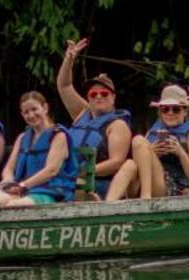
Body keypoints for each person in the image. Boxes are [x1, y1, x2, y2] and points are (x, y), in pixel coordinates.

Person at [55, 38, 135, 198]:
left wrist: (82, 172)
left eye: (104, 93)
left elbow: (116, 162)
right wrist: (69, 59)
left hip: (99, 183)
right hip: (68, 179)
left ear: (113, 97)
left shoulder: (117, 124)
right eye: (93, 94)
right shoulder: (82, 113)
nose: (98, 97)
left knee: (74, 188)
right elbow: (64, 86)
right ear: (89, 99)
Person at [109, 83, 189, 200]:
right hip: (142, 185)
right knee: (130, 163)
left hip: (172, 189)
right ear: (160, 112)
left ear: (185, 112)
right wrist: (151, 152)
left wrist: (181, 153)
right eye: (165, 109)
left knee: (139, 140)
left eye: (176, 109)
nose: (170, 113)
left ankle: (146, 197)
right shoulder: (152, 133)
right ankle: (107, 207)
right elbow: (139, 164)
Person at [0, 91, 76, 206]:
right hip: (23, 189)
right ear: (22, 115)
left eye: (34, 109)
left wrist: (22, 186)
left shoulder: (58, 136)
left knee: (14, 206)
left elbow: (51, 171)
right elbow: (9, 168)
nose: (31, 115)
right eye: (26, 112)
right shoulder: (22, 137)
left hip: (50, 192)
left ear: (45, 108)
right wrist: (8, 181)